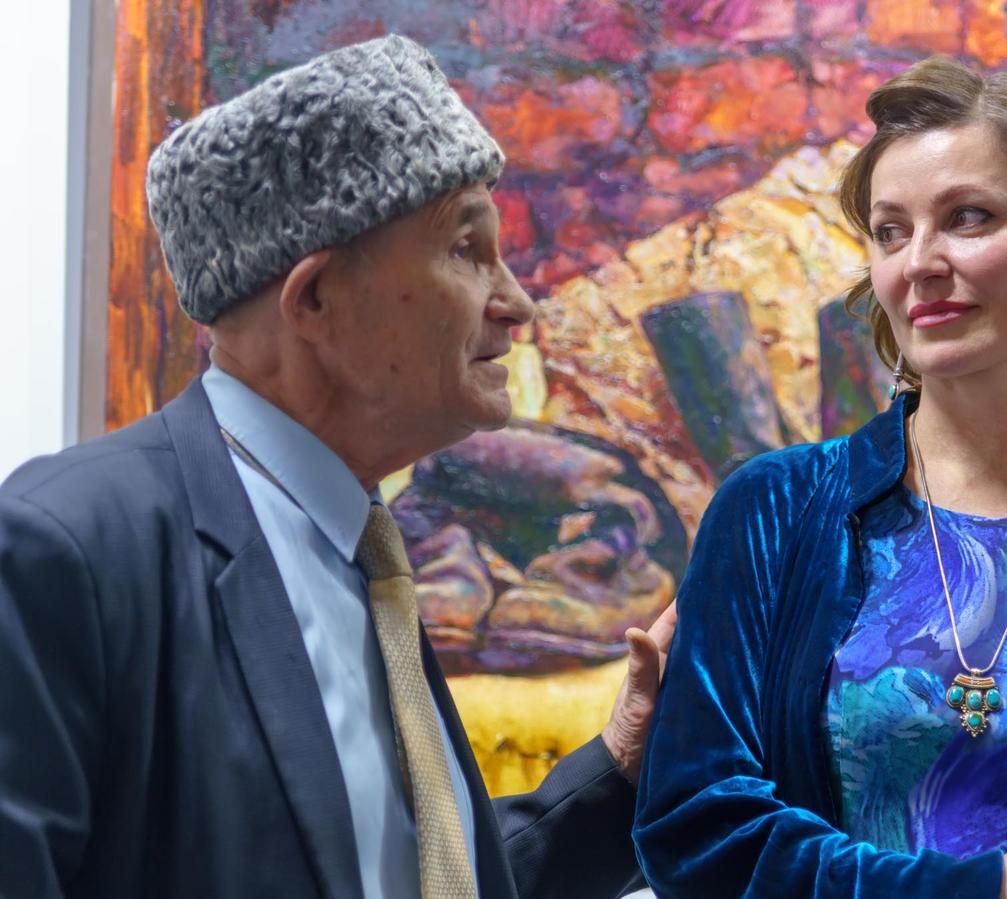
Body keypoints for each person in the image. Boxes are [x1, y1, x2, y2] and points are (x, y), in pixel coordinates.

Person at [0, 35, 671, 899]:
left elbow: (407, 877)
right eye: (467, 249)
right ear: (315, 298)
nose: (516, 303)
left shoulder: (361, 556)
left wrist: (624, 761)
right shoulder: (69, 550)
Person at [633, 58, 1007, 899]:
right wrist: (965, 891)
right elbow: (696, 828)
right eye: (890, 231)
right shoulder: (775, 510)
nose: (918, 261)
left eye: (968, 218)